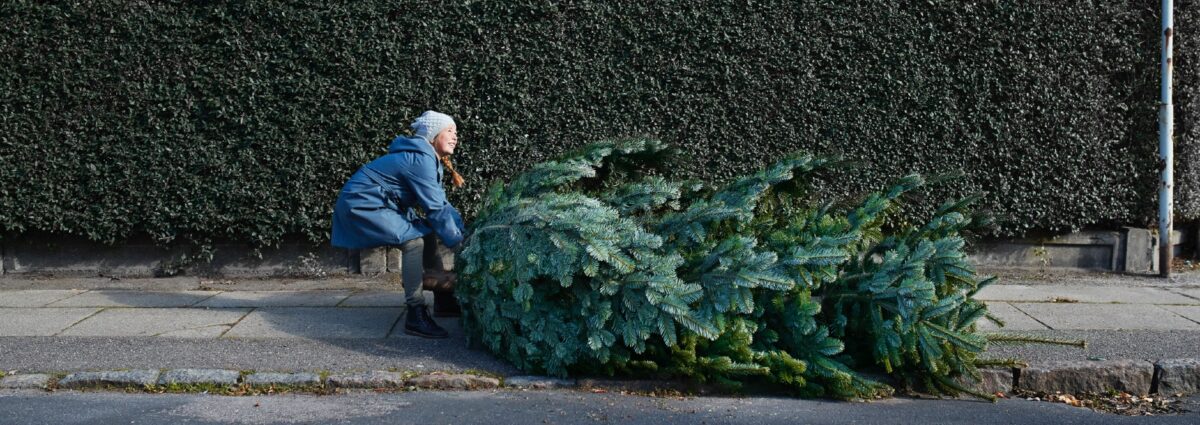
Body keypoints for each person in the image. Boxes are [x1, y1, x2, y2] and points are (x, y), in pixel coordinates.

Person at [331, 110, 466, 339]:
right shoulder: (421, 159)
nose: (455, 137)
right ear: (433, 134)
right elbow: (435, 209)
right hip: (362, 202)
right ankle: (415, 313)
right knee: (412, 241)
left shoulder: (428, 158)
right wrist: (460, 246)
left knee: (427, 232)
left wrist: (462, 231)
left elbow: (441, 205)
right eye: (450, 131)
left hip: (379, 202)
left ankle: (443, 298)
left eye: (456, 132)